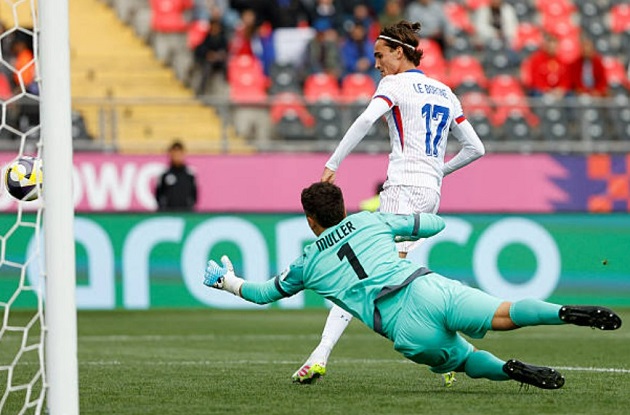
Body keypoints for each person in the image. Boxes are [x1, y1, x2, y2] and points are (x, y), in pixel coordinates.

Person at [203, 182, 622, 389]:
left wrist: (227, 282)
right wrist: (404, 227)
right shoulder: (370, 220)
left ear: (310, 220)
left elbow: (263, 294)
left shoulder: (306, 262)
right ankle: (562, 312)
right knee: (505, 312)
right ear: (343, 207)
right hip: (425, 287)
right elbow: (434, 224)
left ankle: (510, 370)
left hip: (401, 326)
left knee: (463, 360)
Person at [300, 20, 486, 385]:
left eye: (380, 55)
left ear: (399, 52)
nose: (376, 64)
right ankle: (449, 351)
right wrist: (438, 171)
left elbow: (365, 120)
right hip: (430, 194)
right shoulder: (445, 92)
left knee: (359, 275)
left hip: (402, 189)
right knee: (390, 276)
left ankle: (320, 356)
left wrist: (333, 163)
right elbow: (476, 148)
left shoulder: (395, 85)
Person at [155, 140, 198, 211]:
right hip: (168, 213)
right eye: (174, 153)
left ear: (183, 154)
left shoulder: (189, 176)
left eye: (179, 153)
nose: (176, 156)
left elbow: (194, 196)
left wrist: (189, 208)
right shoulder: (165, 175)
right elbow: (158, 195)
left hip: (186, 213)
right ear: (170, 154)